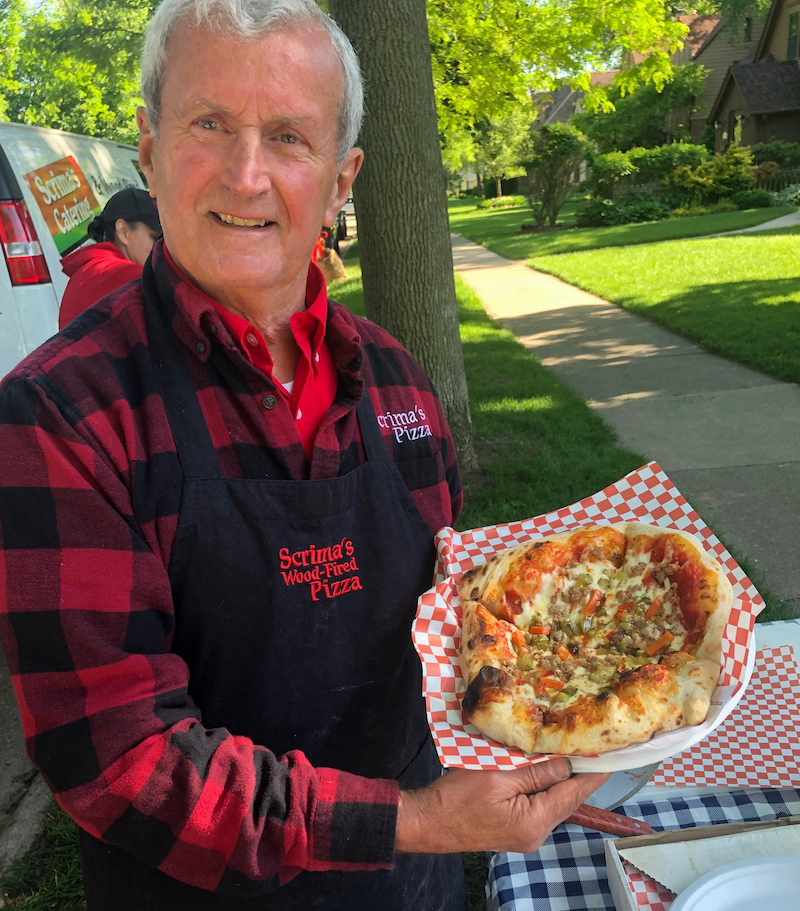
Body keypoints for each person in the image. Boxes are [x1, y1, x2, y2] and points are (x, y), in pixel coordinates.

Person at [0, 2, 608, 909]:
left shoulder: (400, 381)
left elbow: (456, 627)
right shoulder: (63, 412)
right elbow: (120, 759)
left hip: (419, 883)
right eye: (210, 124)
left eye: (289, 136)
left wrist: (558, 721)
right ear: (151, 149)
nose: (247, 176)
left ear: (340, 180)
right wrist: (414, 819)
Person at [58, 187, 161, 329]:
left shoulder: (95, 267)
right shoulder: (120, 274)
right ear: (123, 231)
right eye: (154, 237)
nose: (162, 246)